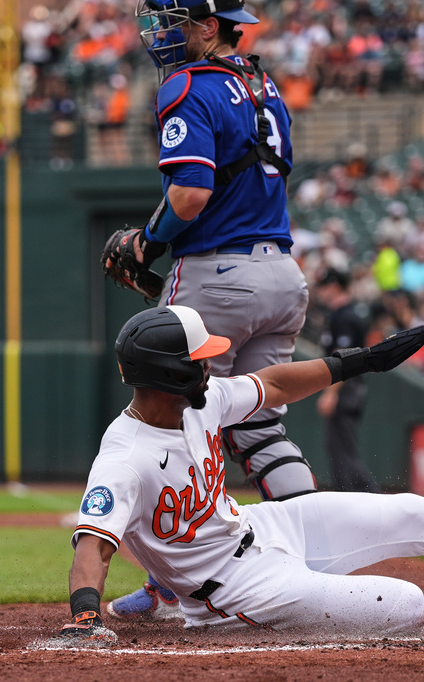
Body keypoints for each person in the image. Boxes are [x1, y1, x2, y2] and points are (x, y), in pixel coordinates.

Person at [50, 306, 424, 645]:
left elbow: (275, 384)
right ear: (170, 373)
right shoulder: (124, 456)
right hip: (232, 592)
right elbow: (92, 546)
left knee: (413, 509)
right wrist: (83, 617)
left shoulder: (199, 401)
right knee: (406, 604)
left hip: (268, 527)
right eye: (198, 359)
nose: (210, 365)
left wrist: (363, 361)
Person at [102, 0, 315, 619]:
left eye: (174, 19)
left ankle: (170, 587)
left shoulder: (187, 84)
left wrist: (147, 241)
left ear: (209, 25)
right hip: (281, 269)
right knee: (259, 426)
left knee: (173, 423)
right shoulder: (262, 82)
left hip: (217, 273)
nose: (160, 32)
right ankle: (310, 564)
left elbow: (191, 194)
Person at [314, 269, 381, 493]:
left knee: (344, 453)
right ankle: (365, 502)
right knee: (339, 451)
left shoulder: (346, 316)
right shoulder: (340, 315)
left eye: (324, 286)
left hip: (346, 387)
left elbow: (343, 360)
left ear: (334, 287)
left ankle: (374, 500)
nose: (321, 292)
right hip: (347, 387)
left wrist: (330, 393)